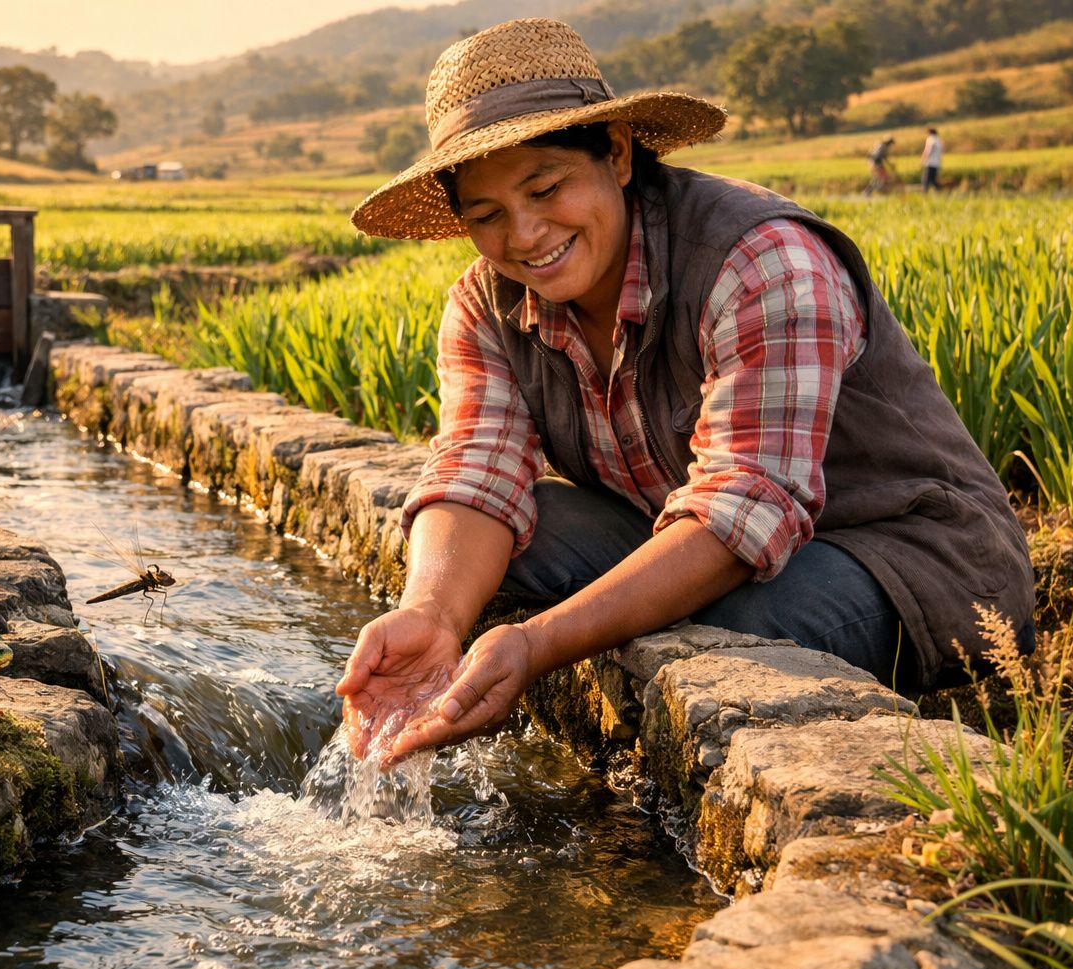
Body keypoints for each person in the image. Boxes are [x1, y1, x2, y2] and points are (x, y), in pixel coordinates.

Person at [337, 18, 1033, 766]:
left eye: (545, 187)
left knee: (722, 628)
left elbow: (743, 508)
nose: (526, 235)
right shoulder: (487, 304)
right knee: (487, 544)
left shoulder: (761, 260)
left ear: (617, 151)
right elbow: (476, 468)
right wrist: (432, 615)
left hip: (895, 552)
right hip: (677, 528)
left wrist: (537, 644)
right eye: (486, 216)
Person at [920, 127, 943, 192]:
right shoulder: (939, 140)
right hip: (937, 163)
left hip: (930, 163)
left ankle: (925, 193)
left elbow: (928, 150)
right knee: (933, 180)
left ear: (930, 133)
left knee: (925, 179)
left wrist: (923, 159)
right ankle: (940, 191)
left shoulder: (930, 139)